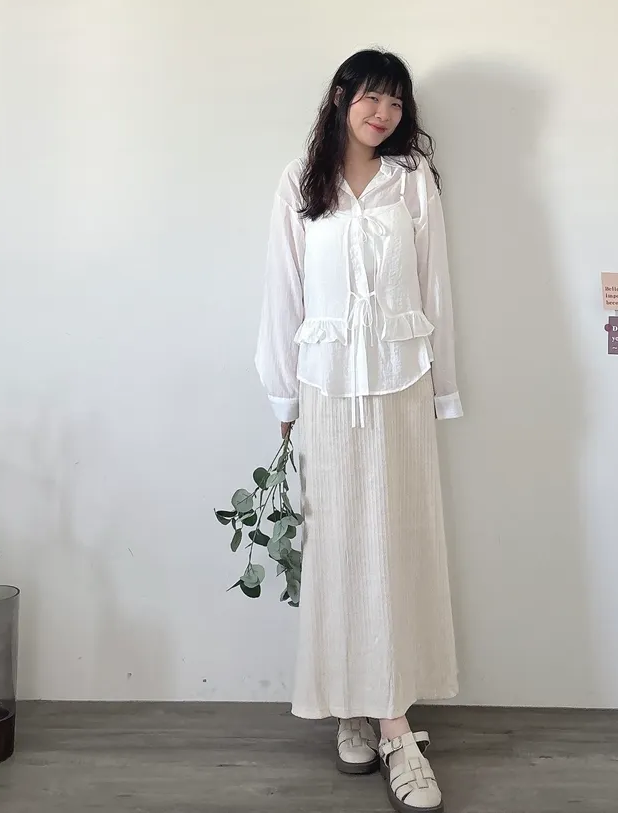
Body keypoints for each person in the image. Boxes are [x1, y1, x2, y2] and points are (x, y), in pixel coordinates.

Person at [254, 48, 463, 812]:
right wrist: (282, 392)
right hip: (327, 389)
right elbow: (282, 291)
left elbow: (436, 285)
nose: (383, 113)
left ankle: (394, 719)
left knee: (397, 546)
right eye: (372, 97)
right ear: (342, 96)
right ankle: (353, 702)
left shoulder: (412, 181)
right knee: (339, 547)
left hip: (402, 385)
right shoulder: (300, 183)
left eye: (396, 102)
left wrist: (444, 388)